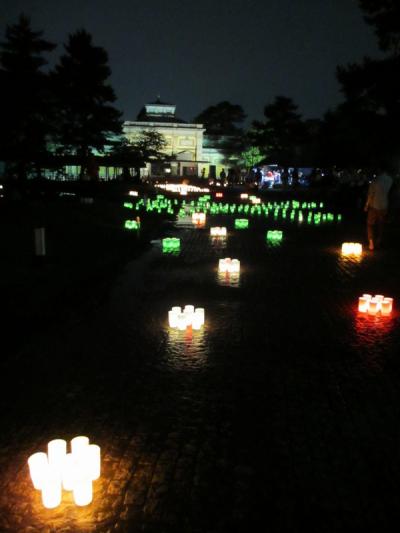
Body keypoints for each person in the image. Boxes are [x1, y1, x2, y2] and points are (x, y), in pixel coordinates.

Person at [364, 168, 393, 250]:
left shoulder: (376, 180)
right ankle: (379, 240)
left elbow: (370, 194)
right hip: (384, 205)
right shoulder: (390, 179)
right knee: (381, 224)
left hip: (374, 205)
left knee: (370, 224)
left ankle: (371, 243)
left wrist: (366, 205)